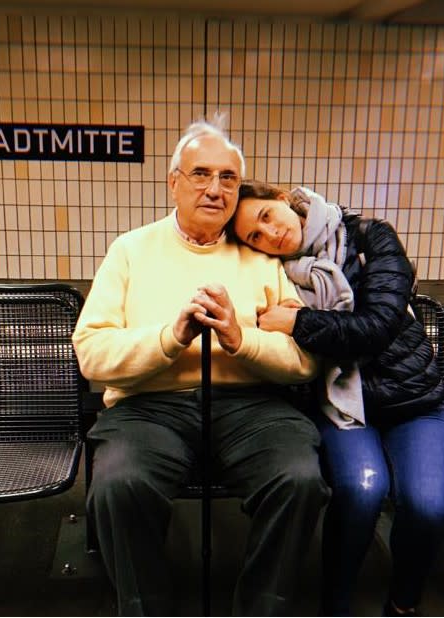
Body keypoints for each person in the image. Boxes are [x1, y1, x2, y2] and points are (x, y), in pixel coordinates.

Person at [72, 118, 329, 616]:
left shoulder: (259, 257)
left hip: (252, 407)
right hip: (149, 406)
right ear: (174, 182)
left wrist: (240, 338)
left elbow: (303, 362)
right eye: (200, 174)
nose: (215, 189)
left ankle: (261, 609)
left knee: (299, 480)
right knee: (120, 485)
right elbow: (93, 354)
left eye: (228, 178)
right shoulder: (131, 250)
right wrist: (171, 338)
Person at [231, 181, 444, 616]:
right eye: (254, 238)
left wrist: (299, 323)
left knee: (427, 506)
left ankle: (403, 602)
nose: (269, 236)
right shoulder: (273, 275)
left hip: (414, 403)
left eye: (265, 217)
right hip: (340, 408)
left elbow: (376, 326)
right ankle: (336, 603)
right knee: (361, 490)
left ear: (282, 199)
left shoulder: (371, 237)